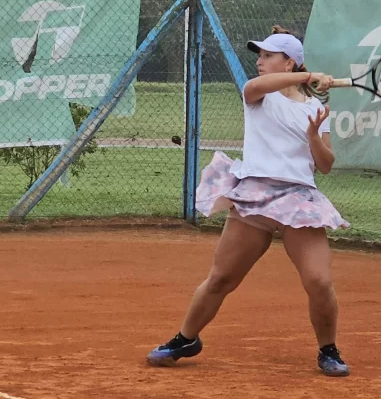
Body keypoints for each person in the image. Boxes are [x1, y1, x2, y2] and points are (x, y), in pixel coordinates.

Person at [146, 26, 351, 377]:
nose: (259, 61)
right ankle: (185, 339)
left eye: (268, 56)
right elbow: (257, 87)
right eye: (259, 55)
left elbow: (326, 165)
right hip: (256, 193)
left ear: (289, 63)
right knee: (222, 278)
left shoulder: (315, 109)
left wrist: (314, 135)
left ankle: (328, 350)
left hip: (299, 198)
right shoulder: (256, 95)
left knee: (319, 281)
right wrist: (310, 75)